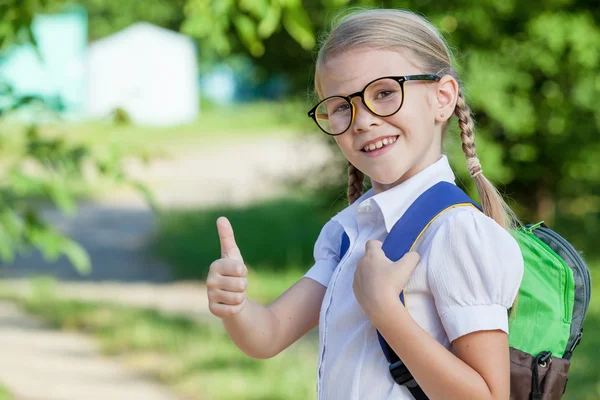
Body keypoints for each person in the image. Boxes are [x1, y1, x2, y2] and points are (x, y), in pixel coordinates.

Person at [207, 8, 524, 400]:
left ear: (442, 98)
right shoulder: (350, 233)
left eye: (385, 93)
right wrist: (234, 306)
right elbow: (269, 334)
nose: (363, 119)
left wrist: (385, 311)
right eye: (342, 106)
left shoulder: (457, 233)